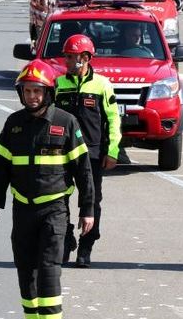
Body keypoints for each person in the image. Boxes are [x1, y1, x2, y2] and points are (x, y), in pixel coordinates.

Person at [0, 59, 94, 319]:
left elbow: (84, 170)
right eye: (27, 91)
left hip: (54, 209)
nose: (32, 96)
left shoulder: (66, 123)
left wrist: (86, 209)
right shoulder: (14, 124)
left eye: (37, 90)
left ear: (48, 92)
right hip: (22, 208)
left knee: (48, 268)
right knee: (25, 268)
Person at [55, 34, 121, 267]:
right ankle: (64, 239)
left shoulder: (102, 85)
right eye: (66, 56)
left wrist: (112, 150)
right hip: (61, 155)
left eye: (71, 57)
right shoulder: (58, 84)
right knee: (58, 200)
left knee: (91, 201)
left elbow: (113, 120)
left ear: (85, 58)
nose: (67, 61)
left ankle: (86, 246)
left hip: (92, 155)